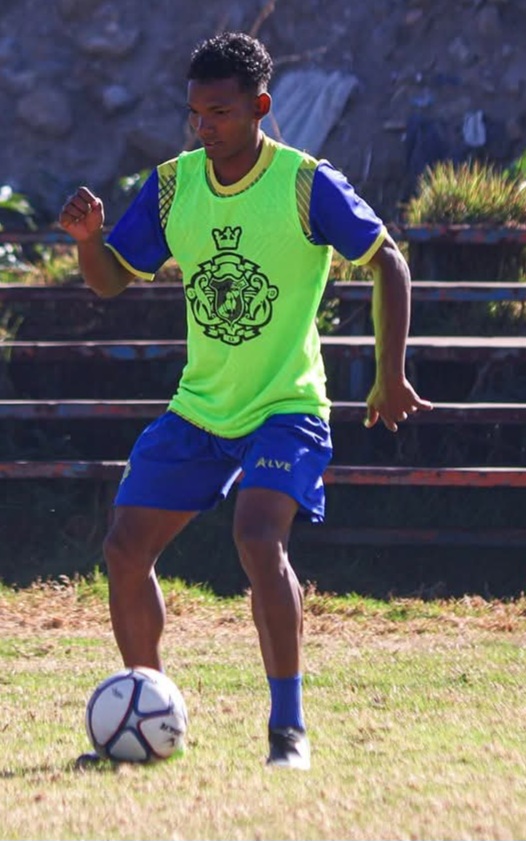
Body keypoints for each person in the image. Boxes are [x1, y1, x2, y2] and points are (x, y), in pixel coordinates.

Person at [59, 31, 433, 771]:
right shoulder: (173, 185)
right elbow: (110, 280)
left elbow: (387, 260)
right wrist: (88, 241)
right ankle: (148, 710)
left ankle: (287, 730)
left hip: (285, 406)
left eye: (221, 112)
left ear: (260, 107)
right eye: (196, 113)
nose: (205, 126)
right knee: (124, 550)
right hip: (201, 408)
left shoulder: (304, 182)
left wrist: (389, 374)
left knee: (259, 539)